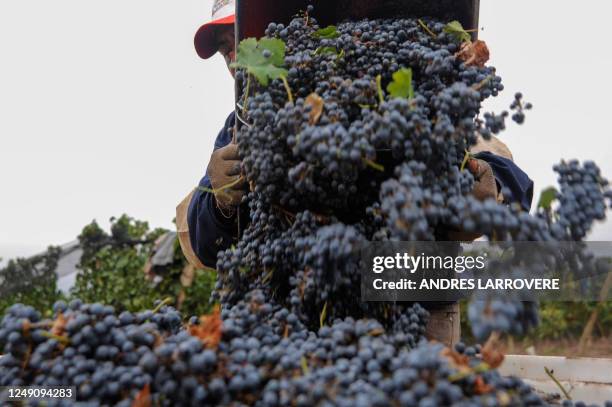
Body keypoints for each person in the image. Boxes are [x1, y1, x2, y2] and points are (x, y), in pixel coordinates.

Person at [177, 0, 534, 346]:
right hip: (296, 326)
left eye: (241, 41)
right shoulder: (241, 131)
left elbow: (508, 178)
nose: (237, 60)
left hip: (411, 325)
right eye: (227, 53)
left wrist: (491, 186)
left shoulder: (415, 103)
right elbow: (205, 245)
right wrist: (219, 204)